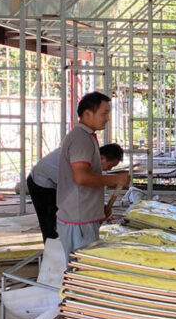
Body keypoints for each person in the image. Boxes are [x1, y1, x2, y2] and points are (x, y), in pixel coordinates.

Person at [56, 91, 131, 258]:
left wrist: (98, 208)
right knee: (81, 270)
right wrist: (115, 179)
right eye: (104, 113)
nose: (108, 118)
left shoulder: (86, 137)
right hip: (78, 219)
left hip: (82, 216)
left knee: (82, 268)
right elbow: (81, 177)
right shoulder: (80, 139)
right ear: (88, 113)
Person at [26, 142, 123, 242]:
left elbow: (91, 188)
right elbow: (79, 191)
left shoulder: (91, 159)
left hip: (56, 183)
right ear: (102, 158)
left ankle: (69, 245)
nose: (108, 169)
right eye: (110, 166)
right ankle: (53, 252)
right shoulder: (79, 159)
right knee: (49, 221)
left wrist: (100, 206)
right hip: (40, 183)